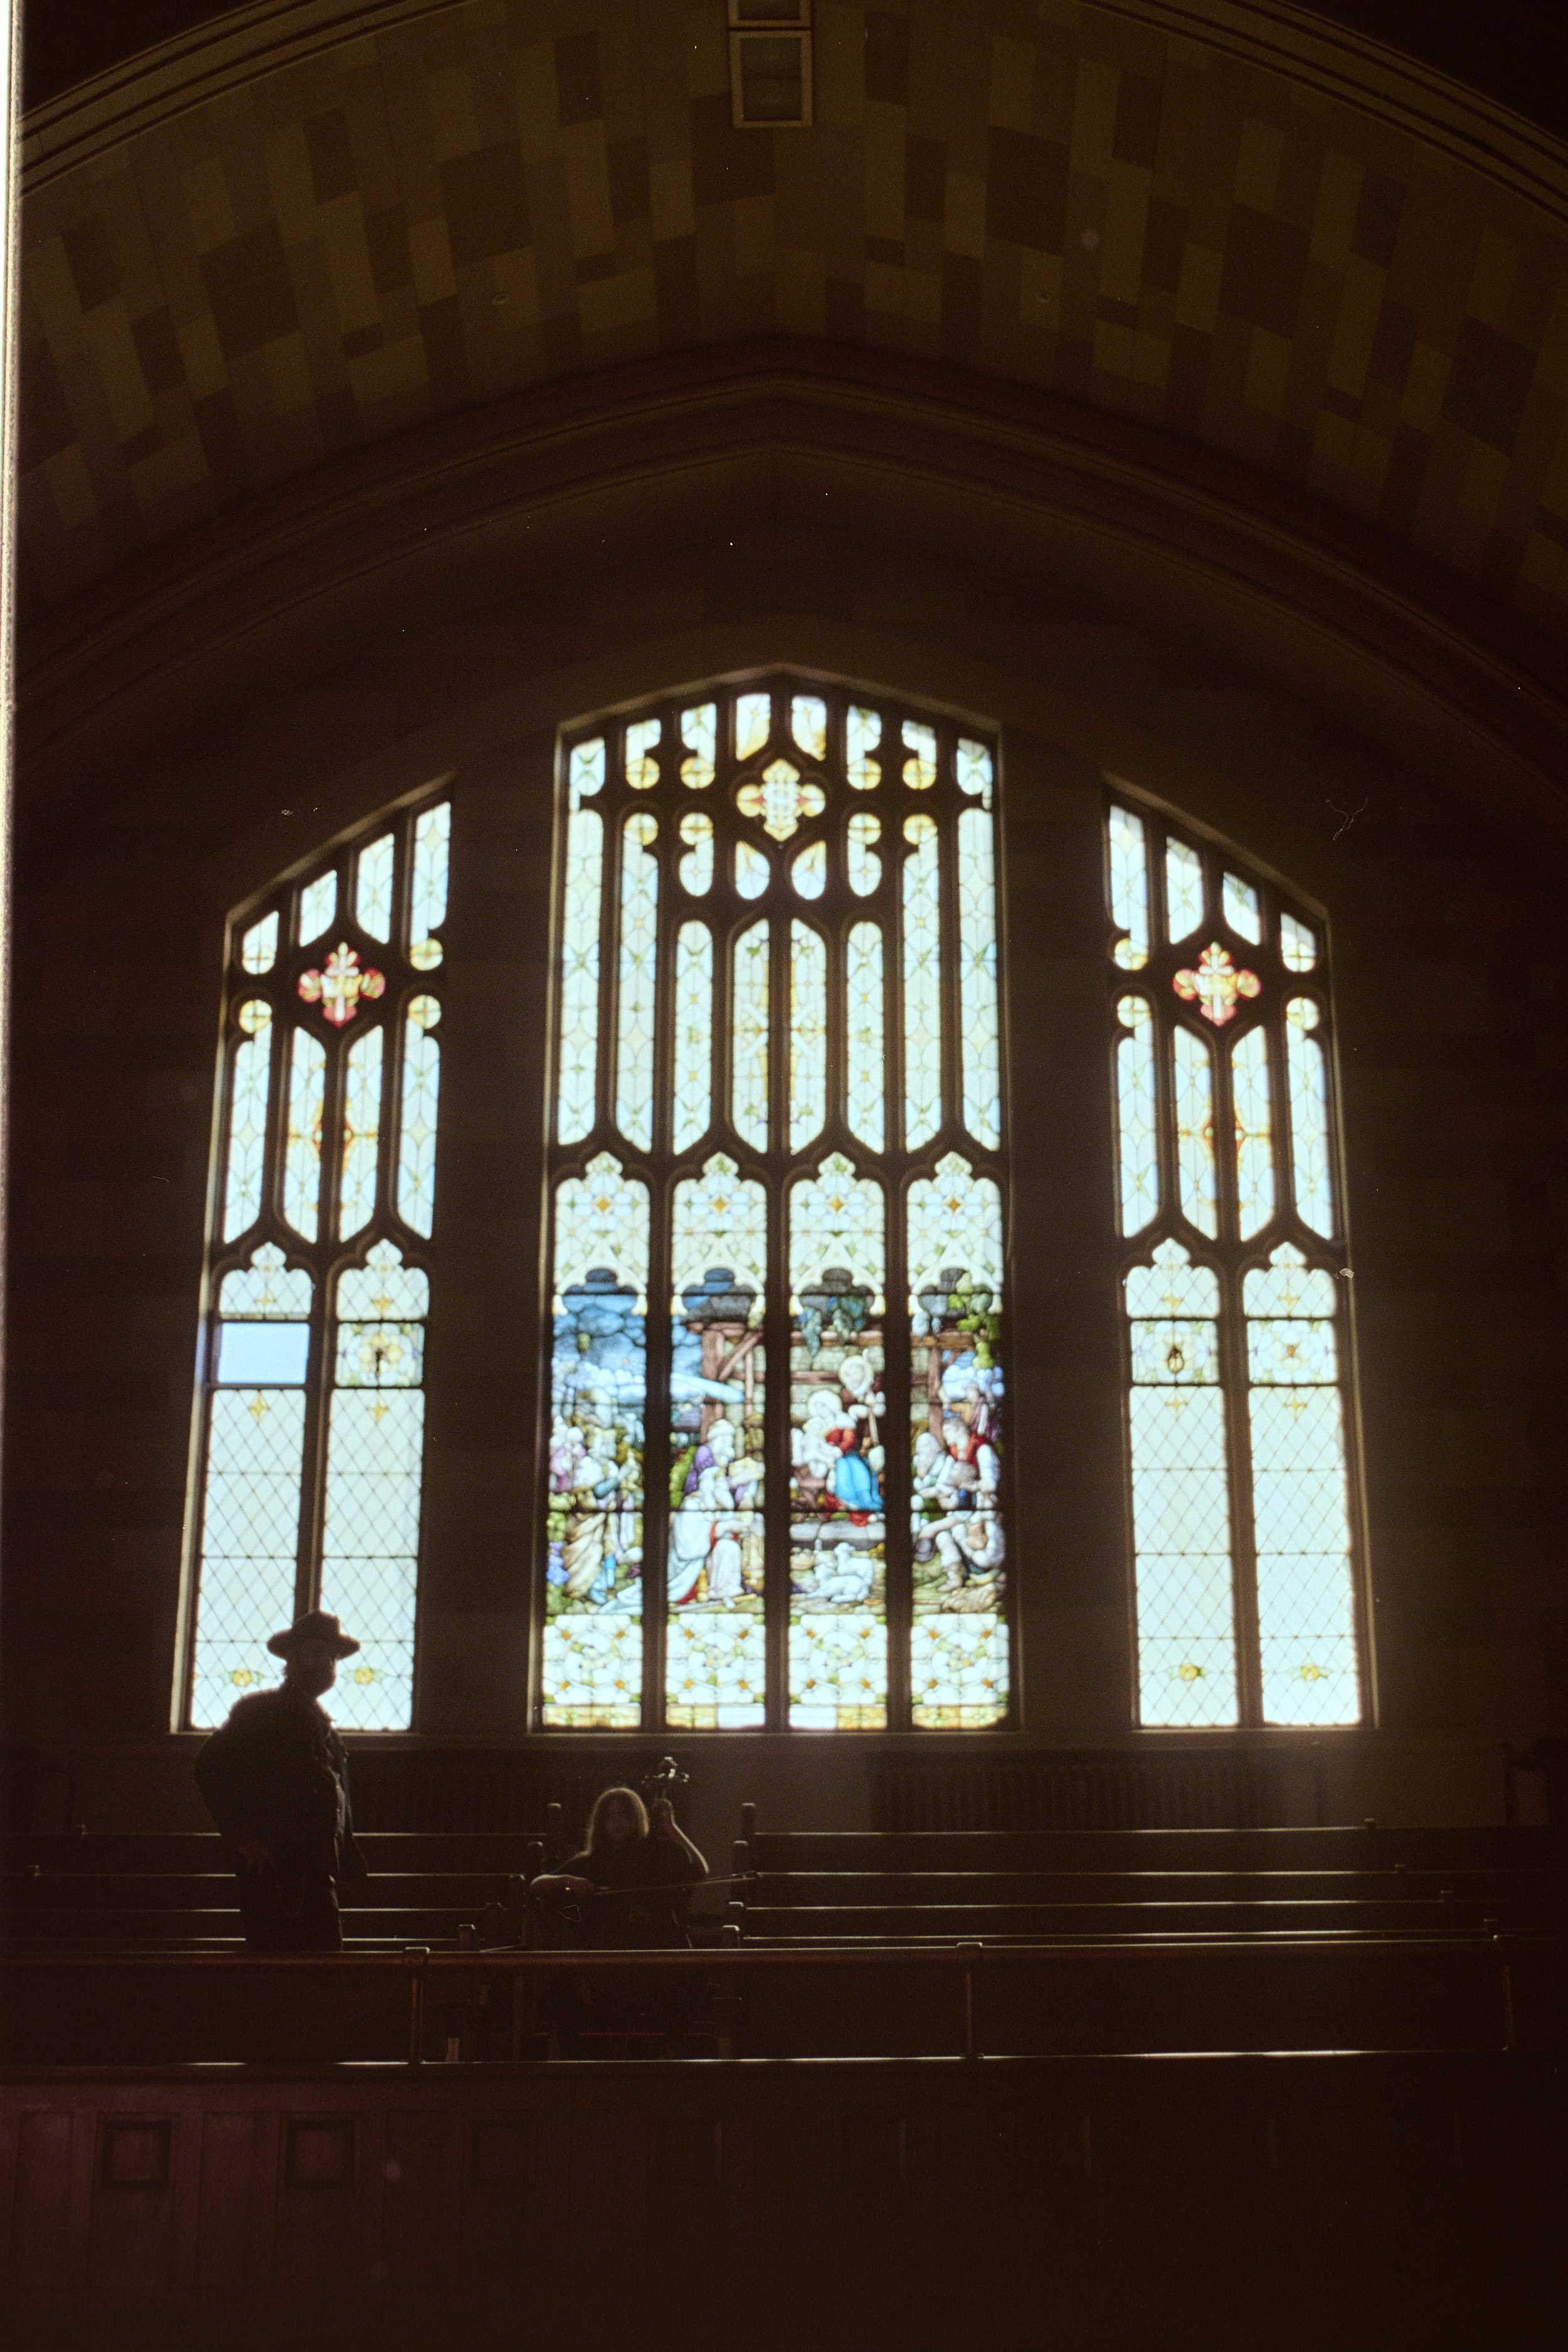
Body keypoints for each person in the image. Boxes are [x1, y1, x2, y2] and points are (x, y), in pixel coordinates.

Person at [193, 1609, 367, 1952]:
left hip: (314, 1873)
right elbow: (209, 1765)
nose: (325, 1664)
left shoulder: (321, 1723)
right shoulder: (262, 1711)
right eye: (315, 1652)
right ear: (293, 1658)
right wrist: (245, 1836)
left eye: (331, 1656)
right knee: (278, 1978)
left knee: (323, 1971)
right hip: (274, 1872)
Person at [532, 1786, 709, 2053]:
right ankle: (572, 2058)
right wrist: (568, 1880)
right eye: (610, 1816)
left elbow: (698, 1871)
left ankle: (672, 2052)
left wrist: (670, 1826)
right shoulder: (588, 1862)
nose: (617, 1822)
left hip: (654, 1949)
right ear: (601, 1823)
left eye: (624, 1815)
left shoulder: (654, 1855)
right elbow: (537, 1885)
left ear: (637, 1818)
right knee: (561, 1975)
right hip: (603, 1957)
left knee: (695, 1970)